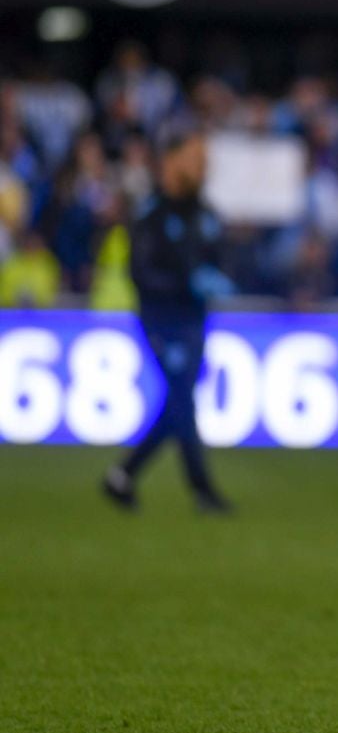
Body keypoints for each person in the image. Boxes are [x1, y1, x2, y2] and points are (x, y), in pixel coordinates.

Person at [102, 125, 234, 515]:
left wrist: (216, 276)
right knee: (181, 398)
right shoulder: (152, 213)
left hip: (194, 319)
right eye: (196, 159)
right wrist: (184, 283)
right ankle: (202, 489)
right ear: (172, 164)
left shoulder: (206, 214)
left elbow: (220, 258)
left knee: (180, 401)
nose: (204, 167)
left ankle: (123, 477)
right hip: (162, 319)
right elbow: (140, 271)